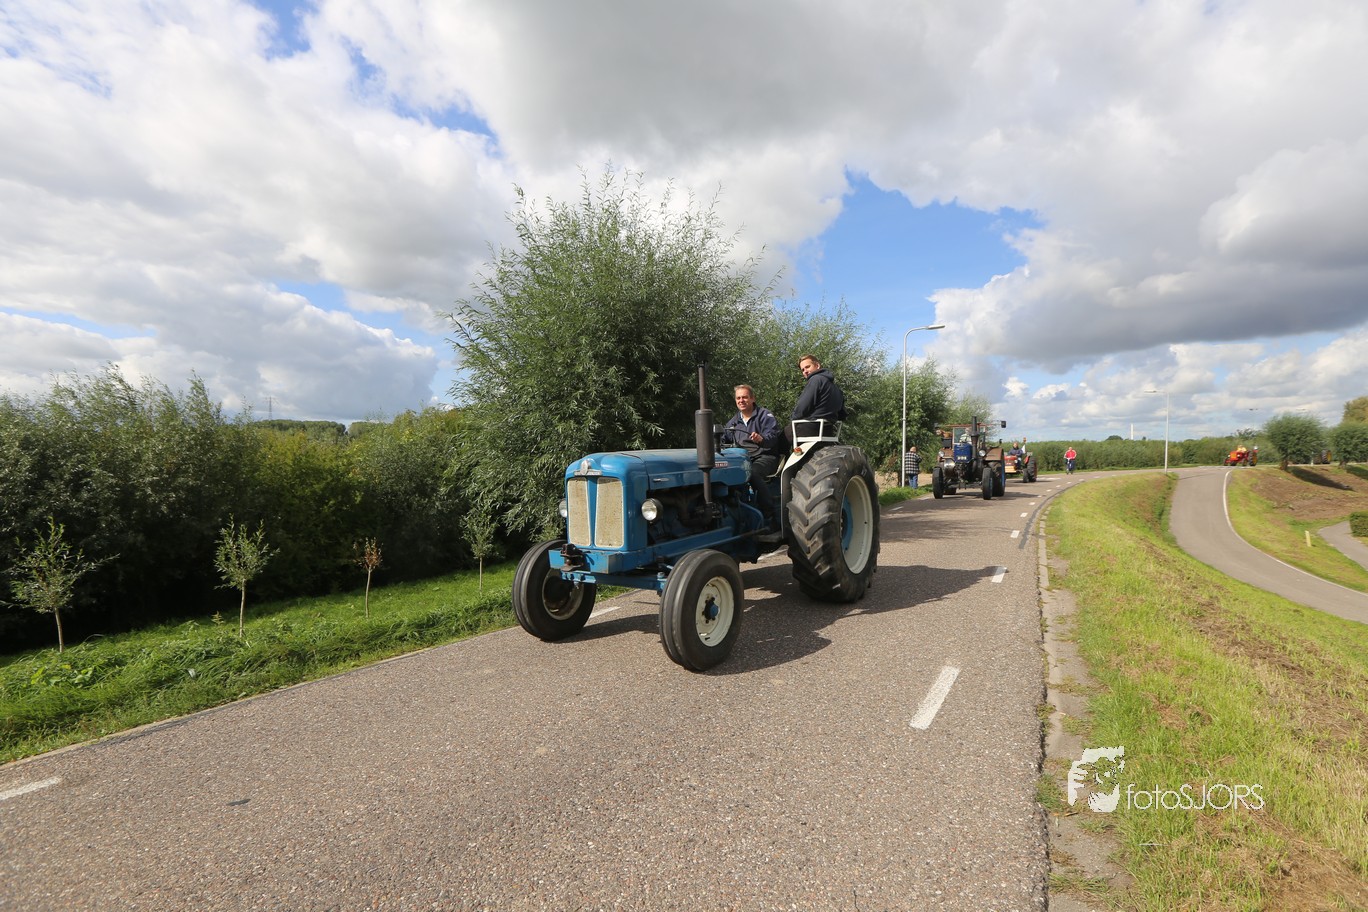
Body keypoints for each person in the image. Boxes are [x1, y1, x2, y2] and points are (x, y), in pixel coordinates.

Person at [723, 384, 784, 530]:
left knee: (753, 473)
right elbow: (723, 439)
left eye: (745, 397)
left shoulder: (765, 416)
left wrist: (761, 438)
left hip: (765, 456)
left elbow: (772, 437)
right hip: (743, 459)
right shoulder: (734, 421)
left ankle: (770, 516)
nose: (741, 401)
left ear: (752, 398)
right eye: (738, 398)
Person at [791, 354, 847, 428]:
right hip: (829, 430)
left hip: (810, 428)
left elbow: (802, 407)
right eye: (803, 370)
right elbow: (842, 415)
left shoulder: (816, 379)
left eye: (807, 367)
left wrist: (793, 418)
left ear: (817, 365)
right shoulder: (836, 388)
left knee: (782, 434)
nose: (805, 371)